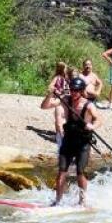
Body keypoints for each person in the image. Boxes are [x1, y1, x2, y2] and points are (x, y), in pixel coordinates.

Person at [40, 78, 102, 206]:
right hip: (68, 141)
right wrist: (51, 94)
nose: (74, 93)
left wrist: (92, 126)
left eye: (77, 90)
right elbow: (44, 106)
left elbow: (99, 120)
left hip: (83, 143)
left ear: (81, 91)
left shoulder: (88, 105)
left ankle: (82, 202)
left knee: (80, 171)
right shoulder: (65, 100)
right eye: (72, 90)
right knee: (62, 171)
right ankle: (57, 201)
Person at [48, 62, 69, 151]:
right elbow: (50, 87)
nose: (66, 70)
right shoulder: (57, 77)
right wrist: (58, 91)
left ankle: (60, 133)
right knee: (58, 117)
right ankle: (58, 134)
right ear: (62, 69)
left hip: (65, 99)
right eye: (65, 68)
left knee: (63, 117)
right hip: (59, 99)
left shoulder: (66, 77)